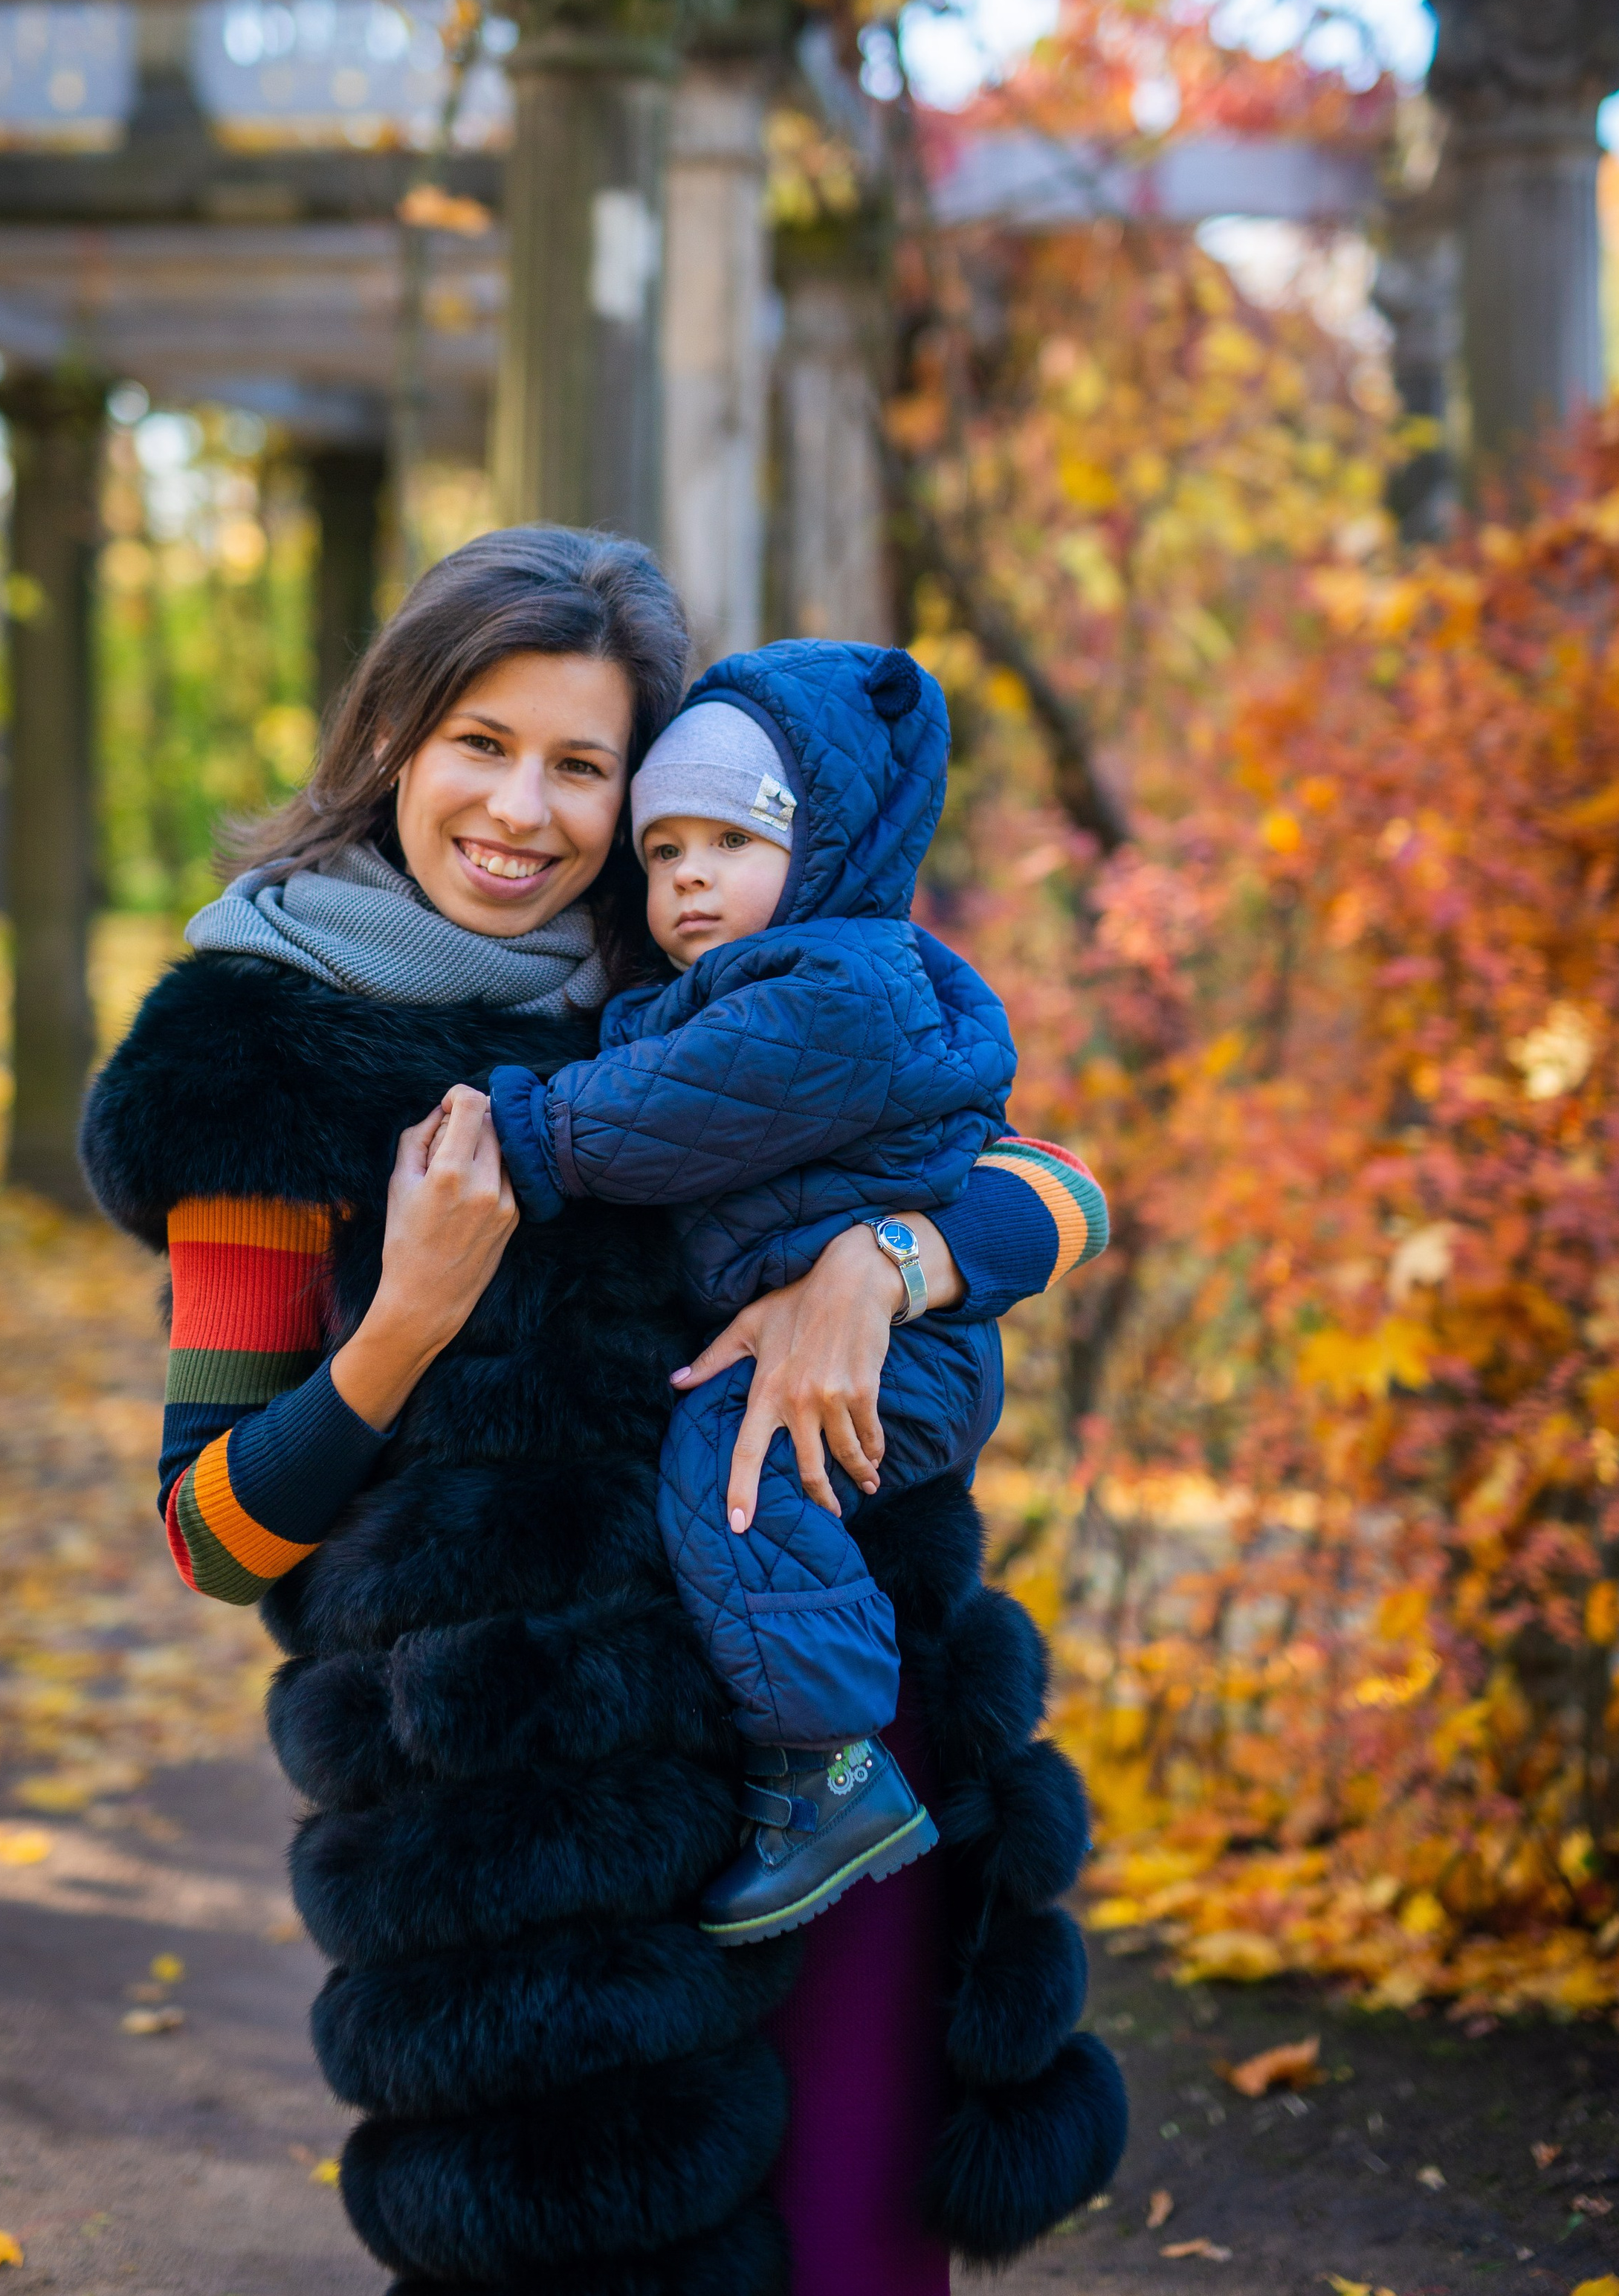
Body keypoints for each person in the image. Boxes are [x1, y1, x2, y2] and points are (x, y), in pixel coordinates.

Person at [80, 526, 1125, 2296]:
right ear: (392, 740)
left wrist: (884, 1263)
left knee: (857, 2262)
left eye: (582, 766)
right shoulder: (260, 1058)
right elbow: (212, 1529)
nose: (523, 810)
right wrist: (404, 1321)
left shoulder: (717, 971)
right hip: (529, 1855)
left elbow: (1057, 1189)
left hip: (835, 1766)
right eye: (481, 743)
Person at [488, 638, 1107, 1946]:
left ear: (820, 850)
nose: (688, 876)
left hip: (897, 1358)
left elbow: (667, 1115)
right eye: (664, 851)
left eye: (730, 842)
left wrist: (531, 1131)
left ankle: (826, 1767)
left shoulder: (827, 989)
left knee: (735, 1460)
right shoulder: (769, 981)